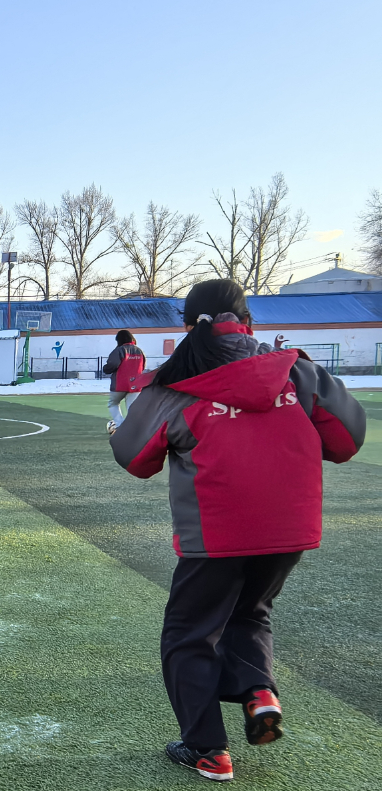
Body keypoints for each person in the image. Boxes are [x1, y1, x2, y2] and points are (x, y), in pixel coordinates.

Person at [109, 279, 366, 782]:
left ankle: (208, 750)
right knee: (251, 615)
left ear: (187, 327)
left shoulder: (177, 384)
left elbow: (135, 459)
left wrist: (119, 426)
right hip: (289, 529)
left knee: (189, 636)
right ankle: (259, 694)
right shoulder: (297, 371)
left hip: (216, 535)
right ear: (248, 324)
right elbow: (346, 439)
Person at [102, 329, 145, 434]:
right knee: (132, 408)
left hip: (119, 385)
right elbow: (142, 367)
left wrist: (106, 369)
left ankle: (120, 425)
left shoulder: (119, 350)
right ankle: (135, 430)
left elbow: (112, 365)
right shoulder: (139, 351)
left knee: (113, 403)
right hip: (136, 384)